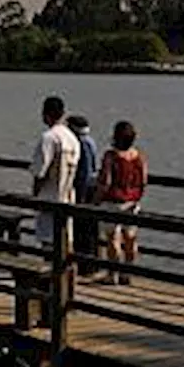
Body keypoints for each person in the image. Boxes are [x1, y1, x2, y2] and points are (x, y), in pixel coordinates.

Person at [93, 120, 148, 285]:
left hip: (113, 200)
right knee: (130, 238)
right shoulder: (139, 156)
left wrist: (96, 199)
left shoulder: (111, 156)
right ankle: (128, 272)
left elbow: (106, 181)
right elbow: (144, 180)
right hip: (132, 201)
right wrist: (137, 196)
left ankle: (112, 273)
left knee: (112, 238)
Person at [29, 95, 81, 250]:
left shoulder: (49, 137)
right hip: (67, 197)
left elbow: (40, 171)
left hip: (49, 197)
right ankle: (68, 272)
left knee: (48, 241)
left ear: (46, 114)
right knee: (66, 238)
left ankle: (52, 272)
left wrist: (35, 193)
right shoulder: (72, 138)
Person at [66, 114, 100, 276]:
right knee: (90, 229)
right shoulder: (90, 141)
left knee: (83, 230)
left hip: (84, 190)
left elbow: (85, 172)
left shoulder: (82, 143)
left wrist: (80, 195)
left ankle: (85, 265)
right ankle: (92, 264)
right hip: (91, 188)